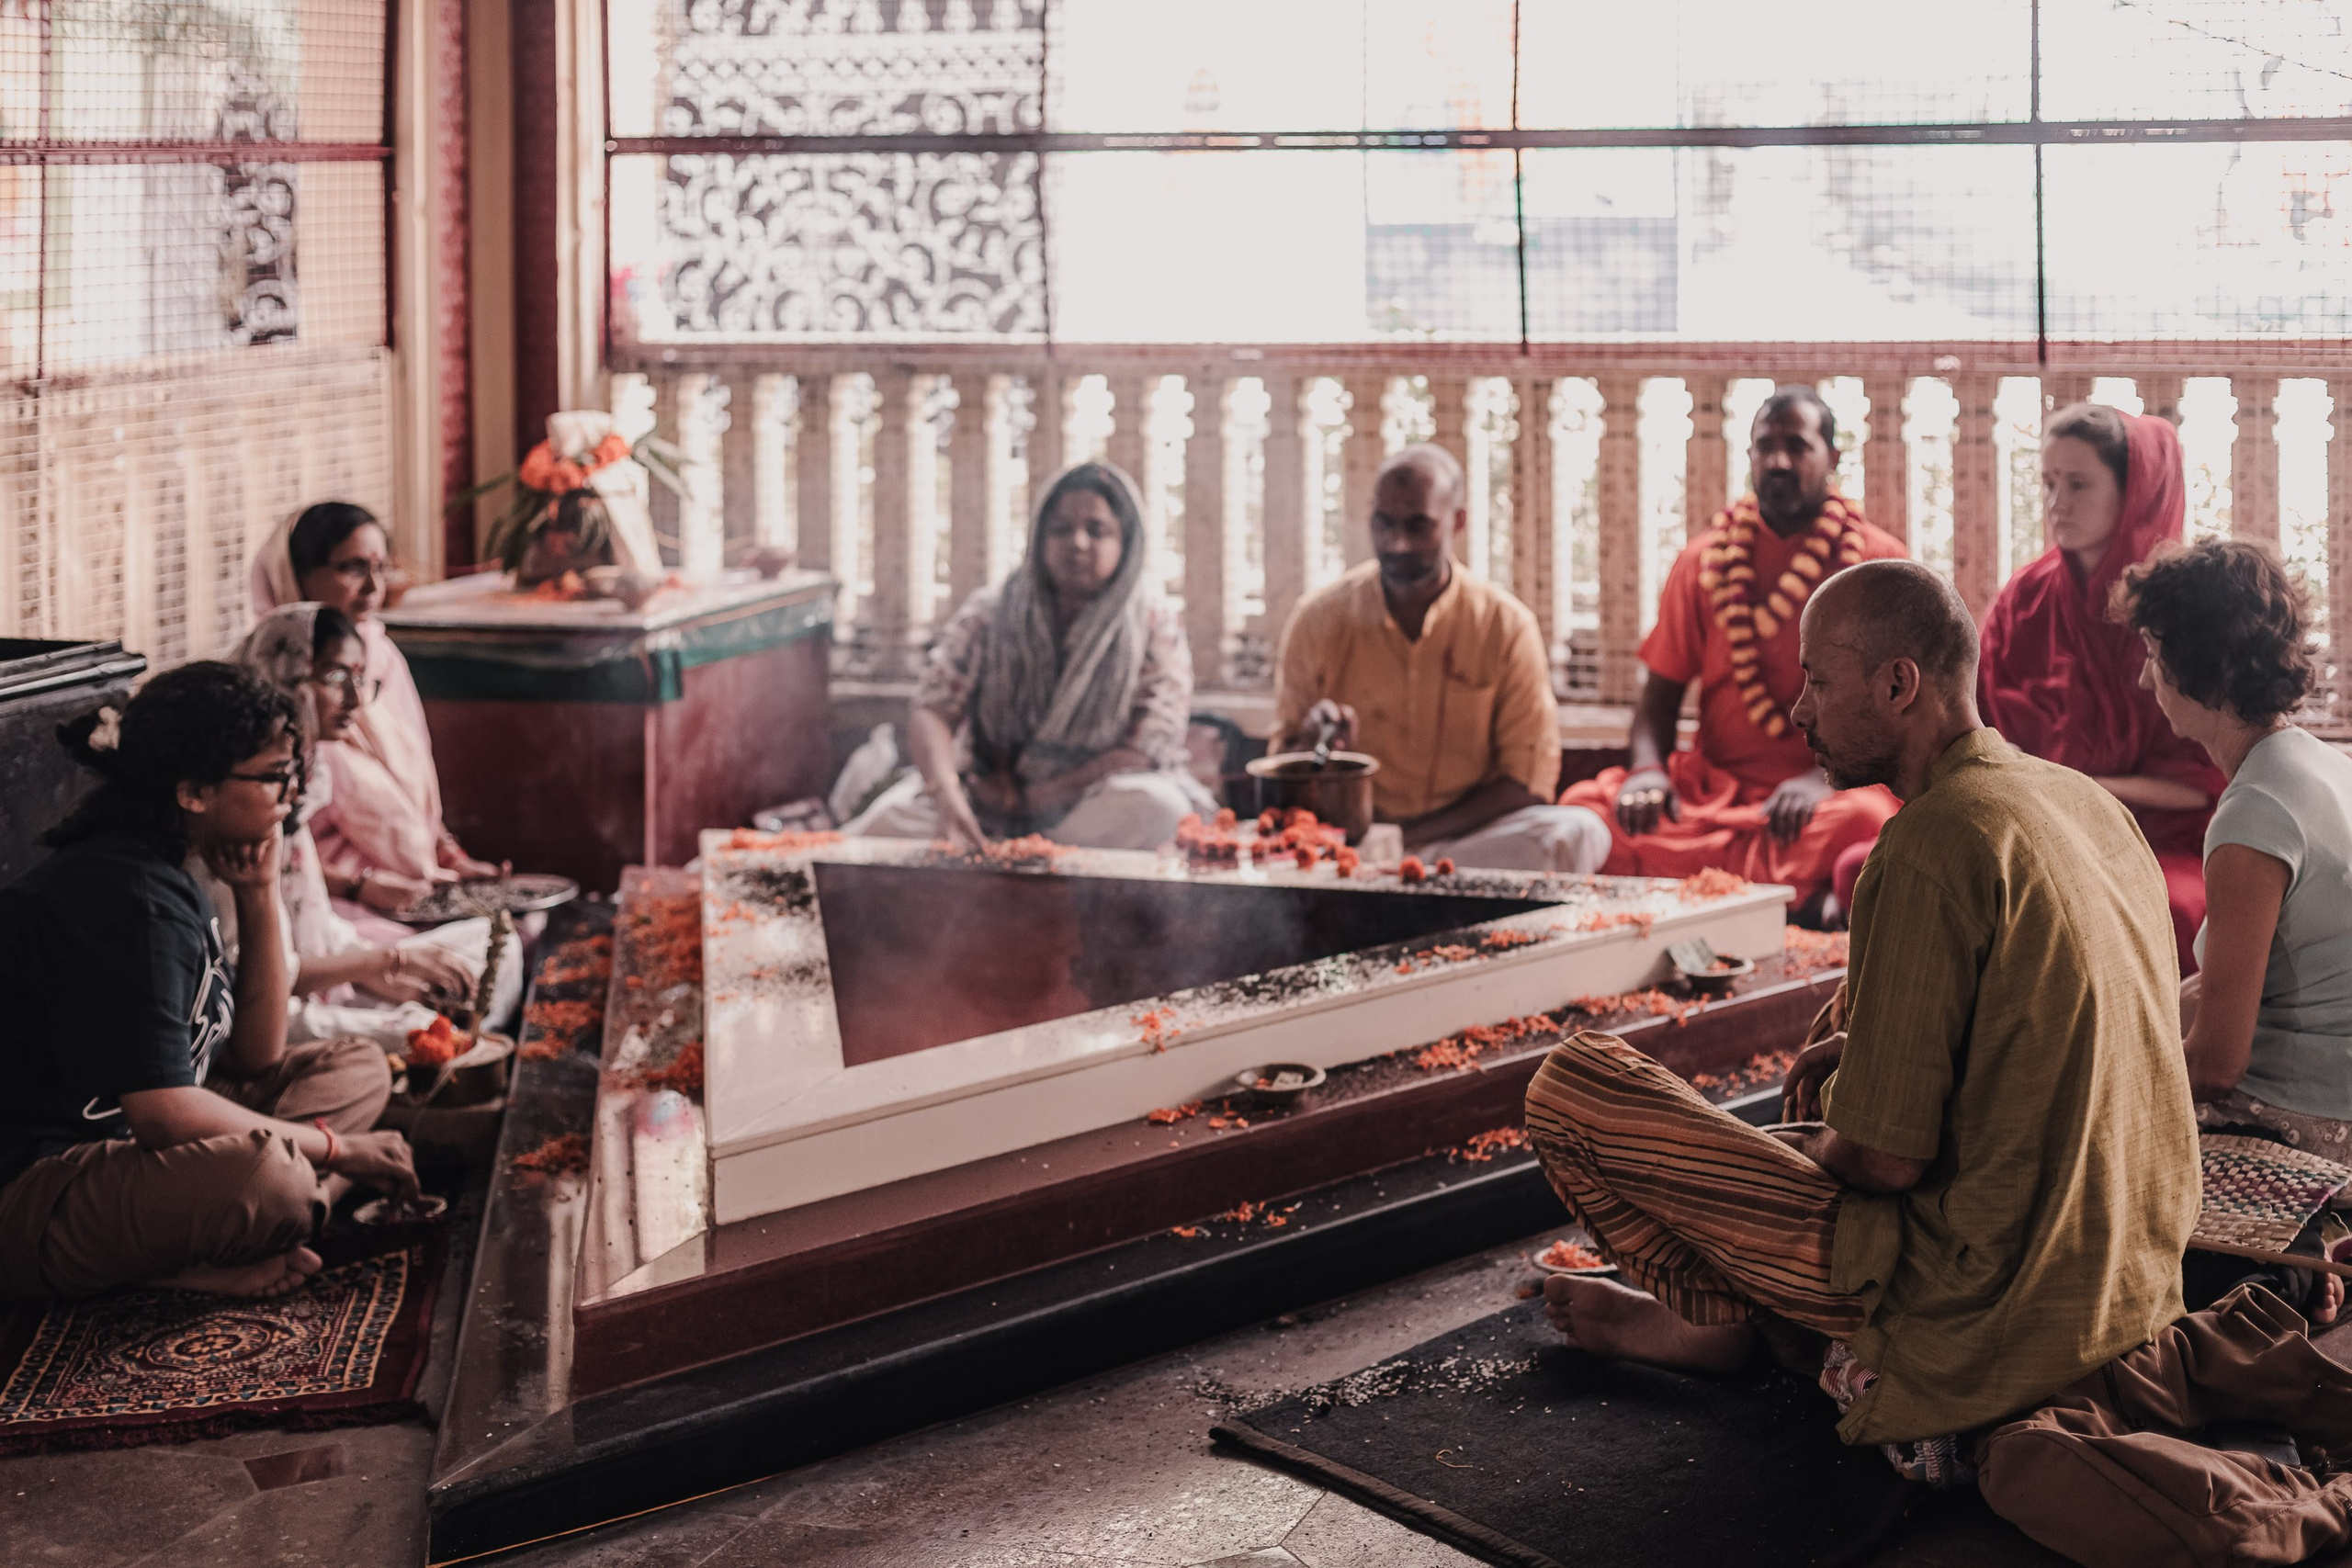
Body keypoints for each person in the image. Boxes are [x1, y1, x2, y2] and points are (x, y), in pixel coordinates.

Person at [1523, 558, 2197, 1480]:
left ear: (1897, 684)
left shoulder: (1928, 842)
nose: (1799, 711)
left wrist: (1789, 1153)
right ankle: (1743, 1310)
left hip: (1984, 1315)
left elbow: (1884, 1163)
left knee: (1574, 1085)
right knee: (1846, 1018)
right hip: (2130, 1291)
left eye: (1816, 681)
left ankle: (1730, 1322)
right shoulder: (2080, 799)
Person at [0, 664, 421, 1301]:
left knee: (358, 1066)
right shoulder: (130, 896)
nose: (291, 794)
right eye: (275, 776)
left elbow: (257, 1053)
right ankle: (191, 1263)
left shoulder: (170, 871)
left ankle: (269, 1224)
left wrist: (257, 893)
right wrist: (339, 1150)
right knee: (271, 1179)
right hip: (40, 1189)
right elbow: (166, 1115)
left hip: (132, 1150)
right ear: (194, 790)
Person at [1560, 388, 1906, 917]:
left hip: (1820, 800)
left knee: (1865, 821)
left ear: (1833, 458)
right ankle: (1799, 902)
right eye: (1764, 446)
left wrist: (1824, 779)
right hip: (1710, 796)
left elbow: (1897, 713)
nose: (1779, 461)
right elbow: (1657, 703)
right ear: (1748, 456)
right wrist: (1648, 773)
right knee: (1584, 810)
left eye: (1797, 446)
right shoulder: (1703, 561)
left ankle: (1702, 897)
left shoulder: (1877, 564)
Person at [1271, 445, 1609, 873]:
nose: (1397, 544)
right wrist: (1318, 753)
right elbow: (1281, 771)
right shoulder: (1318, 620)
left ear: (1458, 521)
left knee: (1578, 832)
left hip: (1464, 846)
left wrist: (1405, 841)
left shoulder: (1503, 626)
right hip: (1353, 848)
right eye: (1384, 524)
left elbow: (1527, 784)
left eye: (1418, 526)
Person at [845, 462, 1215, 849]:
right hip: (984, 802)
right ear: (1039, 539)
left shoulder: (1152, 623)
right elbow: (932, 708)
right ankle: (981, 845)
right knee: (883, 828)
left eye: (1097, 530)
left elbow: (1146, 747)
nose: (1078, 542)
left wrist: (1040, 798)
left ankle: (1020, 864)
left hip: (1088, 804)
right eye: (1060, 529)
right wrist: (948, 795)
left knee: (1159, 810)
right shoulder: (992, 610)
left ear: (1126, 543)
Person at [2121, 540, 2352, 1156]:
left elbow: (2216, 1066)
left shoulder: (2256, 814)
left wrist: (2100, 1085)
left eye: (2153, 653)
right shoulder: (2322, 763)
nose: (2145, 678)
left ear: (2199, 666)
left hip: (2306, 1120)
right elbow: (2215, 989)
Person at [1978, 404, 2223, 972]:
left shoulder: (2179, 611)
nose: (2056, 503)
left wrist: (2078, 789)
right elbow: (1978, 727)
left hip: (2159, 842)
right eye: (2048, 483)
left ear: (2133, 490)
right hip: (2034, 830)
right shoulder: (2026, 597)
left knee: (2162, 908)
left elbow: (2202, 784)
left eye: (2079, 484)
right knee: (1867, 864)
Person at [218, 604, 520, 1051]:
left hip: (329, 977)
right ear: (284, 676)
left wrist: (391, 970)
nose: (357, 702)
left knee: (498, 944)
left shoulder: (299, 783)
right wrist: (388, 962)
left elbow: (318, 926)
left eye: (361, 679)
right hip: (275, 1014)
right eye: (336, 678)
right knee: (420, 1030)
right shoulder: (241, 802)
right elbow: (255, 986)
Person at [251, 502, 503, 929]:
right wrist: (360, 885)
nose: (373, 587)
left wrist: (451, 858)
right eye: (351, 568)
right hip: (318, 898)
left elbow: (412, 784)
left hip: (406, 884)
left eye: (381, 568)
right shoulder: (272, 677)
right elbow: (263, 848)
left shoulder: (381, 658)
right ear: (297, 575)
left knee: (515, 935)